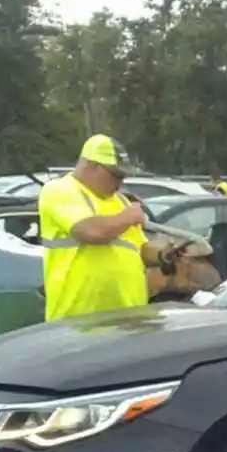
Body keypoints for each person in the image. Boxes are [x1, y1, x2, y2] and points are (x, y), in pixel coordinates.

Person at [38, 135, 149, 322]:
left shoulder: (121, 201)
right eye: (115, 174)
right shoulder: (59, 190)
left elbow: (140, 247)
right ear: (91, 166)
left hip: (129, 316)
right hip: (78, 320)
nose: (120, 182)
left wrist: (166, 254)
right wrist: (128, 216)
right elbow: (91, 231)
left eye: (123, 176)